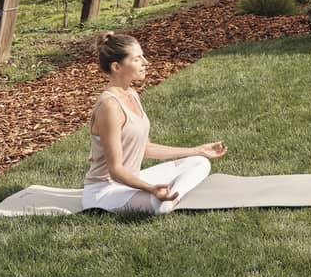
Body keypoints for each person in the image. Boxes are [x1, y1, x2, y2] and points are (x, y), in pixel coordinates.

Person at [82, 31, 227, 214]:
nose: (146, 63)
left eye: (142, 56)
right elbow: (115, 170)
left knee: (199, 162)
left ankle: (169, 195)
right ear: (116, 67)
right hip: (106, 191)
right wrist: (149, 188)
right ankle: (168, 199)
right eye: (137, 59)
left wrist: (197, 150)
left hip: (131, 179)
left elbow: (145, 148)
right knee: (159, 206)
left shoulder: (131, 94)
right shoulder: (109, 106)